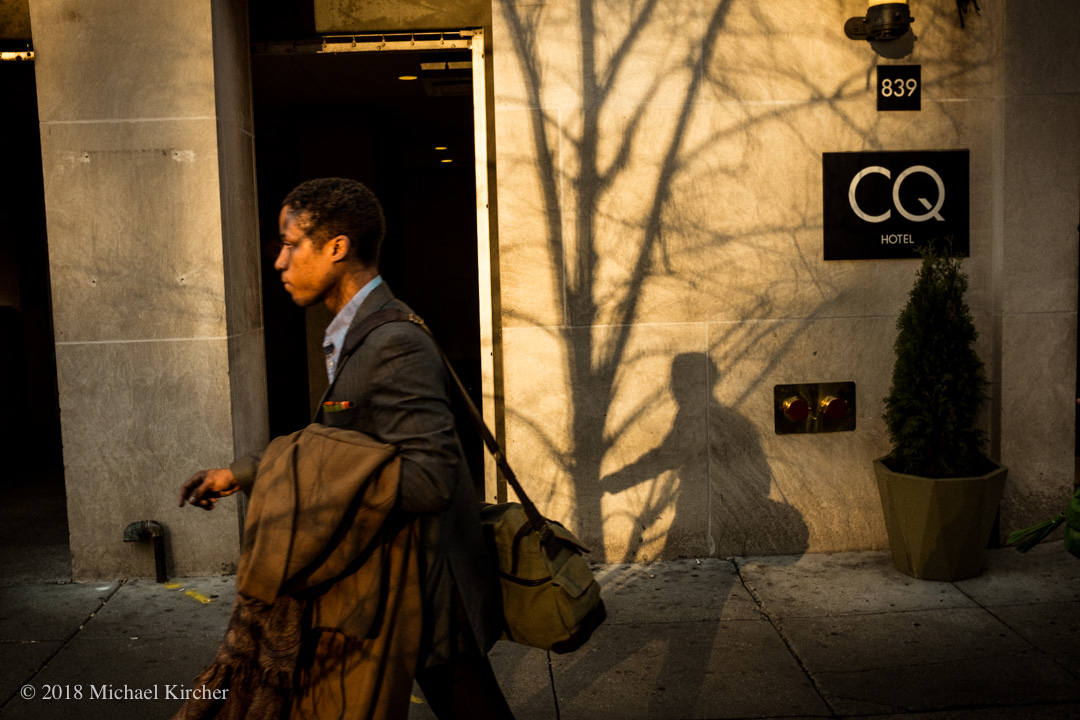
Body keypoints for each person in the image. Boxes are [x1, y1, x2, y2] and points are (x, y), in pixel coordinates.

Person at [178, 177, 513, 719]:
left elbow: (430, 477)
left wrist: (310, 477)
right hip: (397, 576)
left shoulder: (393, 341)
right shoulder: (354, 332)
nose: (280, 262)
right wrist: (241, 473)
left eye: (291, 244)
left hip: (425, 583)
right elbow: (344, 447)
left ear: (336, 247)